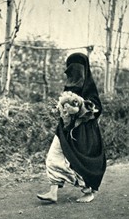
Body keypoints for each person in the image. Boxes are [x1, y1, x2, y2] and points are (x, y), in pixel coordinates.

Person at [37, 52, 106, 203]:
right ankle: (53, 191)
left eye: (78, 69)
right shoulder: (69, 87)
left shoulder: (89, 88)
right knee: (54, 155)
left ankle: (88, 192)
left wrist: (82, 108)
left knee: (80, 162)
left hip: (83, 133)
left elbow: (97, 109)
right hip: (64, 129)